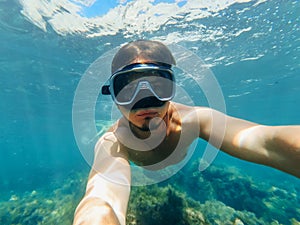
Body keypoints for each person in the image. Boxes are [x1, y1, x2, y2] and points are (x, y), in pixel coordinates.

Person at [73, 40, 300, 225]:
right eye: (128, 89)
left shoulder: (195, 120)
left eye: (158, 84)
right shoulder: (113, 142)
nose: (145, 100)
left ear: (172, 88)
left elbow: (265, 141)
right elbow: (102, 197)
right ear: (113, 95)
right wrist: (96, 215)